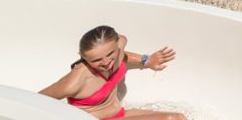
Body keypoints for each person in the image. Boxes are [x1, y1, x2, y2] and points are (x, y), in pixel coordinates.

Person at [40, 26, 185, 120]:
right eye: (96, 60)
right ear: (82, 57)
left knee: (180, 117)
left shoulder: (117, 50)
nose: (106, 62)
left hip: (119, 114)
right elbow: (35, 100)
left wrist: (146, 60)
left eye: (110, 53)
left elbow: (121, 41)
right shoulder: (76, 80)